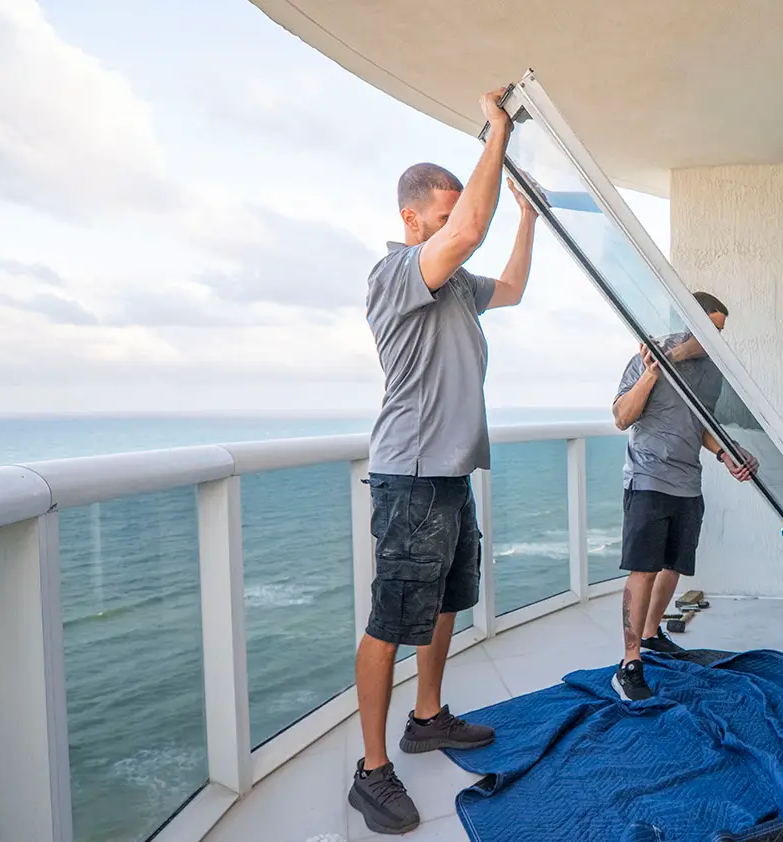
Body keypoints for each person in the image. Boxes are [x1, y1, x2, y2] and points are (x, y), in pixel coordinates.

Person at [349, 88, 539, 836]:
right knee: (391, 620)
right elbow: (466, 232)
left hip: (449, 477)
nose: (460, 222)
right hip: (412, 475)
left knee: (445, 604)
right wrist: (496, 132)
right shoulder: (398, 273)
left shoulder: (457, 285)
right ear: (411, 218)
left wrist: (528, 220)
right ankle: (371, 773)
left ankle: (426, 717)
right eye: (446, 210)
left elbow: (515, 286)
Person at [610, 292, 755, 701]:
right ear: (690, 321)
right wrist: (652, 374)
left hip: (688, 483)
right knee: (644, 569)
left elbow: (703, 427)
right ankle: (630, 662)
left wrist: (726, 453)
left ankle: (653, 634)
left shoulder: (713, 372)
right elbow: (622, 417)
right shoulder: (649, 356)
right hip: (648, 478)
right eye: (712, 328)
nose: (718, 339)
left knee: (673, 566)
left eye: (722, 331)